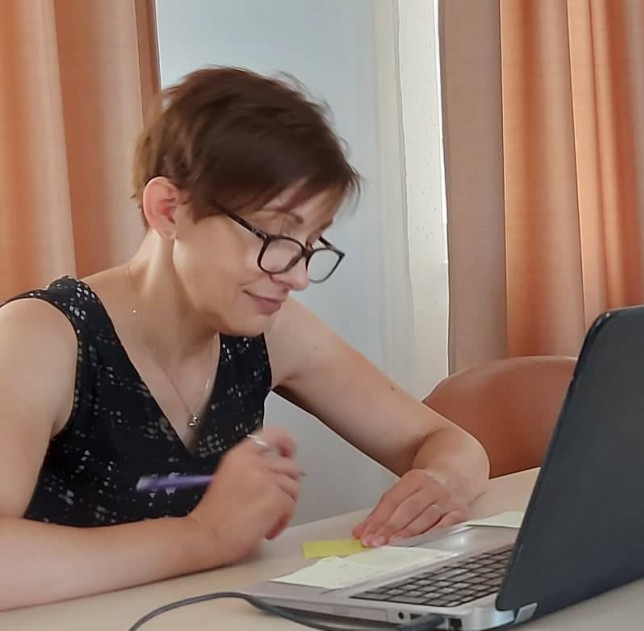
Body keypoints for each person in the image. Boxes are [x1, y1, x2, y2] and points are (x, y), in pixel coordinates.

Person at [0, 67, 490, 610]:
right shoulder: (41, 338)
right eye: (275, 236)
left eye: (310, 244)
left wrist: (443, 480)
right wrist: (204, 536)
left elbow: (448, 442)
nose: (297, 276)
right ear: (169, 210)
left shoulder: (268, 330)